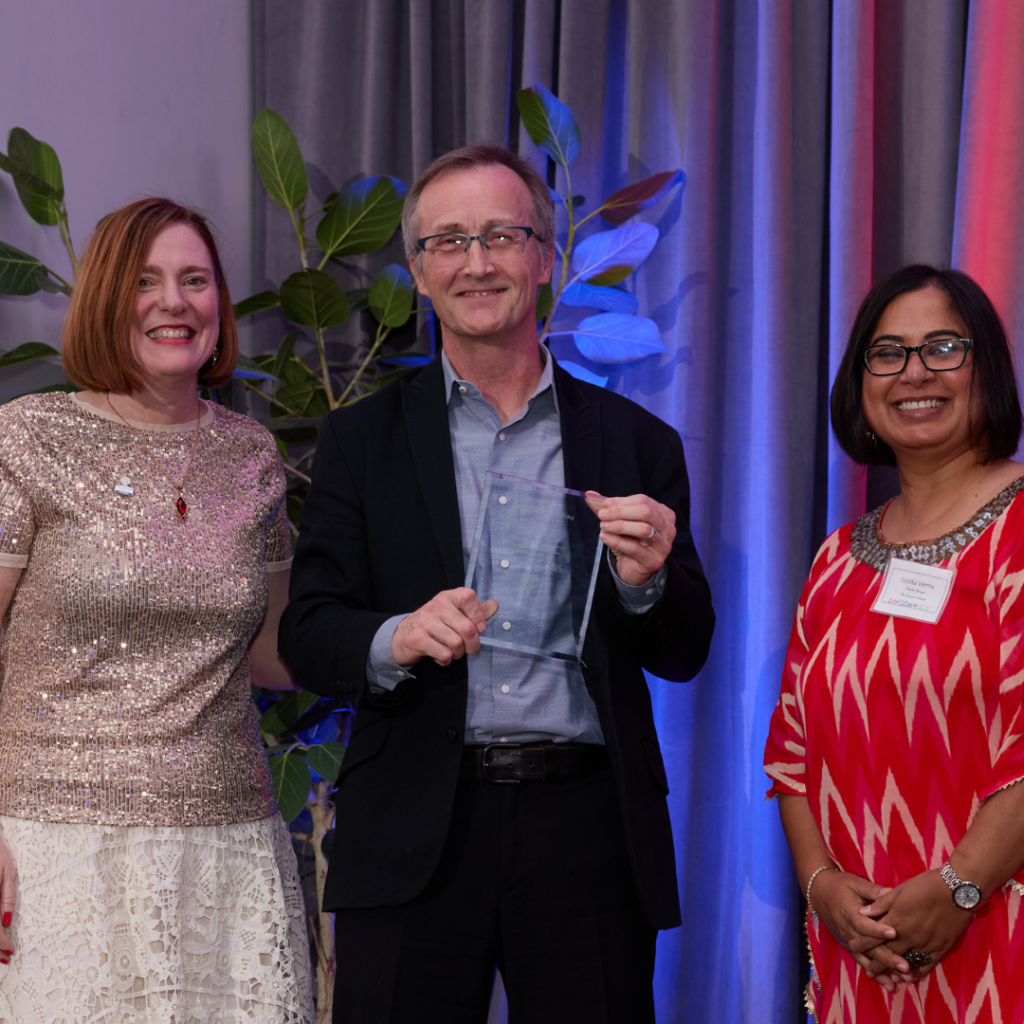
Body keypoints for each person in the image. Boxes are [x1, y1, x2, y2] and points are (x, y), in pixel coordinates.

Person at [279, 143, 715, 1024]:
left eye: (502, 236)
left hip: (586, 830)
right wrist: (395, 637)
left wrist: (643, 582)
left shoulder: (639, 444)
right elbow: (308, 632)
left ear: (545, 259)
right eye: (449, 242)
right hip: (413, 831)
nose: (476, 262)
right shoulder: (360, 441)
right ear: (419, 272)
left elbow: (686, 648)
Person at [0, 197, 314, 1023]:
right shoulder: (28, 438)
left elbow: (274, 654)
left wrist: (398, 630)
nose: (175, 302)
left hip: (229, 850)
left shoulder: (252, 454)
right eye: (146, 281)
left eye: (196, 280)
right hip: (55, 847)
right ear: (107, 298)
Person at [764, 264, 1024, 1022]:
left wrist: (957, 890)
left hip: (997, 940)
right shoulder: (836, 558)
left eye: (944, 347)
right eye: (888, 352)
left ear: (989, 369)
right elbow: (790, 755)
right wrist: (824, 888)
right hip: (861, 959)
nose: (915, 372)